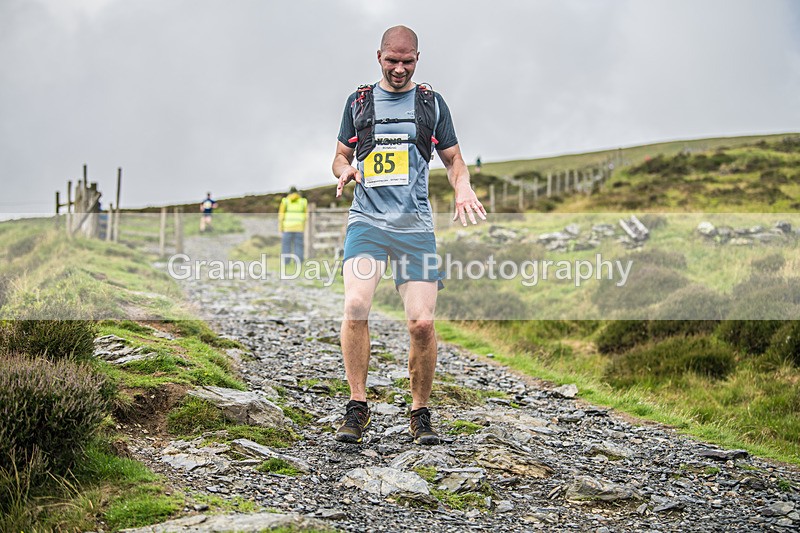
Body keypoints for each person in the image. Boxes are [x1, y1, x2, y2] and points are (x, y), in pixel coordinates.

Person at [331, 25, 487, 445]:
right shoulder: (359, 102)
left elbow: (454, 159)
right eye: (391, 60)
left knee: (421, 323)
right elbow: (341, 154)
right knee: (356, 304)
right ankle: (357, 406)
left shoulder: (430, 104)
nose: (399, 69)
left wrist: (463, 187)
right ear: (378, 56)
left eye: (408, 61)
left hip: (414, 227)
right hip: (367, 221)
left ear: (418, 58)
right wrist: (344, 169)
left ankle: (419, 412)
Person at [278, 186, 308, 266]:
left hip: (287, 228)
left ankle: (286, 263)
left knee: (286, 246)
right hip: (299, 227)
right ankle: (298, 263)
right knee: (298, 246)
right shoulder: (303, 201)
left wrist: (280, 228)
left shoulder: (285, 201)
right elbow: (306, 216)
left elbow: (281, 216)